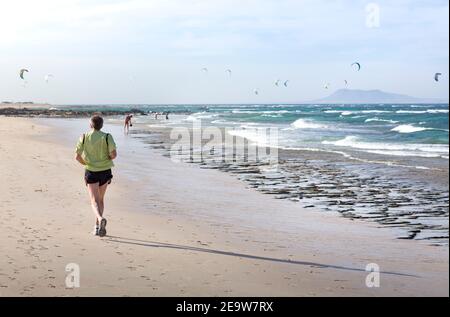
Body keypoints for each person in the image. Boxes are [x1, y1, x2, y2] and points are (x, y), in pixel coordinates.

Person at [75, 115, 117, 237]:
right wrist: (107, 158)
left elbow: (77, 157)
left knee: (94, 200)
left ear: (90, 125)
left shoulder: (84, 137)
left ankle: (99, 218)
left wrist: (87, 163)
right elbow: (114, 155)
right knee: (100, 200)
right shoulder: (107, 137)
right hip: (105, 171)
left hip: (91, 171)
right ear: (101, 125)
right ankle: (97, 227)